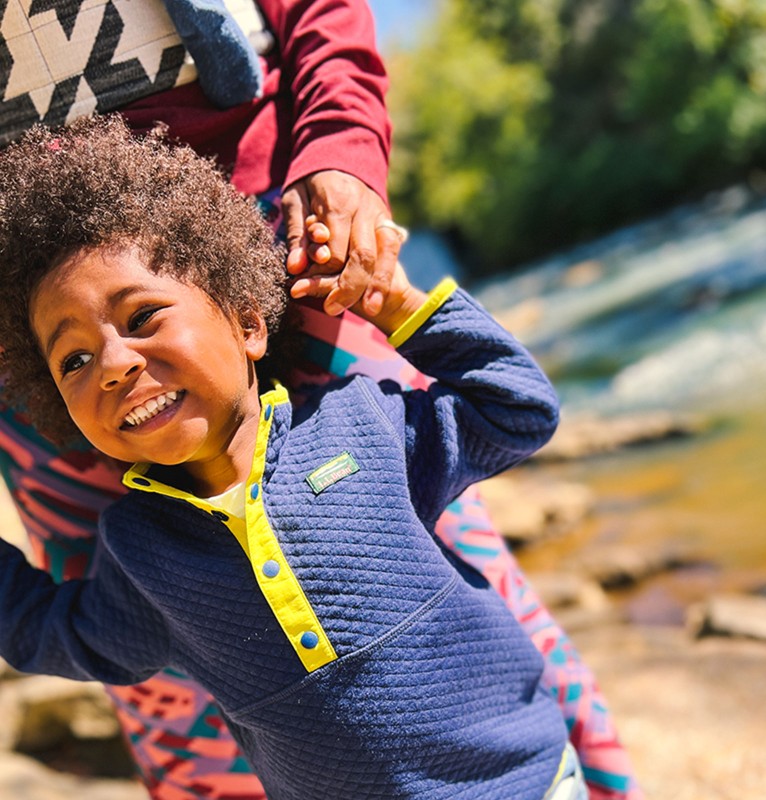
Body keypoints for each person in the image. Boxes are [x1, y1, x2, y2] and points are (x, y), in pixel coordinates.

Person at [0, 2, 641, 798]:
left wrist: (382, 264)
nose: (118, 366)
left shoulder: (366, 424)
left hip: (293, 251)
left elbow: (512, 410)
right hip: (21, 328)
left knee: (458, 569)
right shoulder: (137, 554)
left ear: (245, 324)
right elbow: (68, 634)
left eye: (140, 323)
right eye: (79, 362)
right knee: (172, 710)